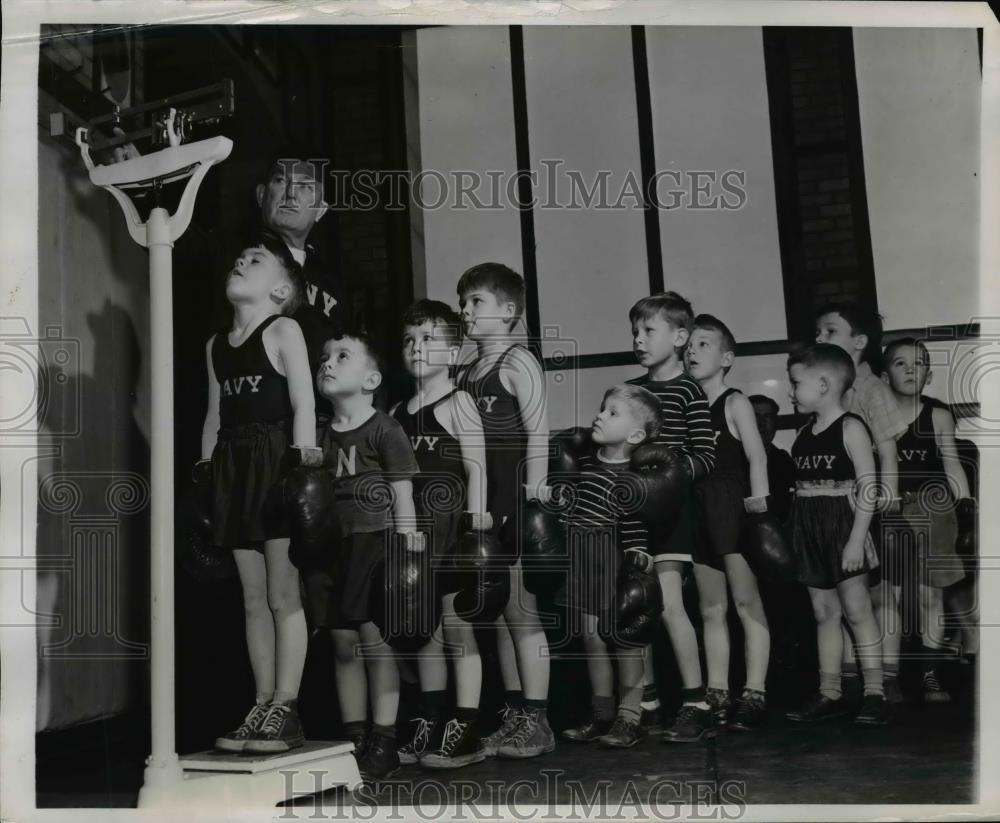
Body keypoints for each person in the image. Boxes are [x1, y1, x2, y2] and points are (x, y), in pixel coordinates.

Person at [202, 235, 318, 753]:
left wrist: (304, 468)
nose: (240, 261)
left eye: (255, 260)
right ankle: (262, 702)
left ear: (279, 291)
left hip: (275, 463)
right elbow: (214, 415)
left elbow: (304, 403)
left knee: (281, 594)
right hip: (233, 466)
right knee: (251, 599)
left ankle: (287, 706)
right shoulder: (215, 346)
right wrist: (206, 472)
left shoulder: (284, 329)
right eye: (238, 256)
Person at [303, 330, 421, 781]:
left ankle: (384, 739)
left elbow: (403, 496)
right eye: (324, 357)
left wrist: (407, 553)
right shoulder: (314, 435)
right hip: (329, 547)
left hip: (374, 543)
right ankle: (354, 739)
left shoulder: (383, 429)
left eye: (342, 356)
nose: (328, 363)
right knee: (341, 644)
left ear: (371, 379)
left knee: (376, 644)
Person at [454, 263, 555, 759]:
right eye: (463, 302)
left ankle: (538, 719)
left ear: (509, 311)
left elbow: (538, 429)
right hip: (481, 500)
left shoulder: (519, 362)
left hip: (514, 496)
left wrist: (535, 490)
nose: (465, 310)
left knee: (521, 608)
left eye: (476, 302)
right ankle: (516, 715)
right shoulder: (467, 372)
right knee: (493, 614)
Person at [389, 300, 491, 769]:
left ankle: (465, 726)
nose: (417, 348)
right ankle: (431, 718)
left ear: (453, 354)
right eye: (410, 339)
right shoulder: (394, 411)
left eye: (429, 339)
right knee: (422, 630)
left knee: (457, 626)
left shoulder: (459, 402)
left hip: (451, 529)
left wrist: (475, 524)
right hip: (412, 535)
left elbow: (477, 467)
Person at [625, 292, 717, 743]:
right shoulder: (631, 392)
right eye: (635, 332)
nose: (639, 340)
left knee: (671, 607)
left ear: (680, 337)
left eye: (649, 331)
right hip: (633, 514)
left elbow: (706, 455)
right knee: (637, 607)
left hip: (672, 514)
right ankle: (646, 702)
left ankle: (696, 702)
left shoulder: (688, 391)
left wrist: (671, 478)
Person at [783, 344, 889, 726]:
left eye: (795, 383)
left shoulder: (851, 427)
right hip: (809, 526)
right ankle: (829, 693)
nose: (790, 391)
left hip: (844, 526)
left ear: (824, 384)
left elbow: (868, 486)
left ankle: (875, 692)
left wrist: (857, 540)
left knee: (858, 610)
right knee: (822, 612)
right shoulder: (803, 434)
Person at [557, 385, 663, 748]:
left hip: (615, 562)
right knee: (591, 639)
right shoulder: (583, 463)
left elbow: (637, 527)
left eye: (613, 412)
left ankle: (629, 717)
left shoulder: (636, 475)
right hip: (582, 556)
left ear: (636, 434)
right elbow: (571, 508)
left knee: (624, 641)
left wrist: (638, 559)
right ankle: (601, 713)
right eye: (602, 409)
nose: (600, 415)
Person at [815, 302, 907, 705]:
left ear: (860, 341)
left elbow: (887, 450)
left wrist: (886, 494)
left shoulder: (871, 388)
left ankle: (886, 677)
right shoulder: (829, 388)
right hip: (840, 506)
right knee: (849, 593)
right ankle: (852, 675)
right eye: (818, 332)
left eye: (830, 332)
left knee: (879, 592)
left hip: (870, 501)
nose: (820, 338)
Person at [685, 315, 772, 731]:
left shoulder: (735, 402)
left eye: (703, 344)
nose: (691, 351)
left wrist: (758, 509)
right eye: (689, 345)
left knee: (746, 604)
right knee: (711, 608)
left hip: (735, 511)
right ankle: (716, 691)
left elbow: (757, 456)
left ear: (726, 358)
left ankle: (754, 691)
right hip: (700, 511)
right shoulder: (685, 405)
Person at [882, 337, 974, 702]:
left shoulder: (937, 415)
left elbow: (952, 462)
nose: (909, 370)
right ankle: (889, 678)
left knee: (929, 597)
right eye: (900, 363)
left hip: (933, 509)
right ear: (884, 373)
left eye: (917, 363)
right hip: (888, 507)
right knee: (890, 596)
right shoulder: (875, 415)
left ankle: (931, 675)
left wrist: (965, 504)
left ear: (929, 374)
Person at [256, 151, 349, 407]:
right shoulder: (232, 255)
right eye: (280, 181)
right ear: (261, 195)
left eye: (305, 187)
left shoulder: (333, 284)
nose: (290, 195)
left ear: (320, 210)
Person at [748, 395, 795, 523]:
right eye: (755, 416)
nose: (761, 423)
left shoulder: (782, 459)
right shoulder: (730, 459)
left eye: (767, 417)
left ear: (776, 424)